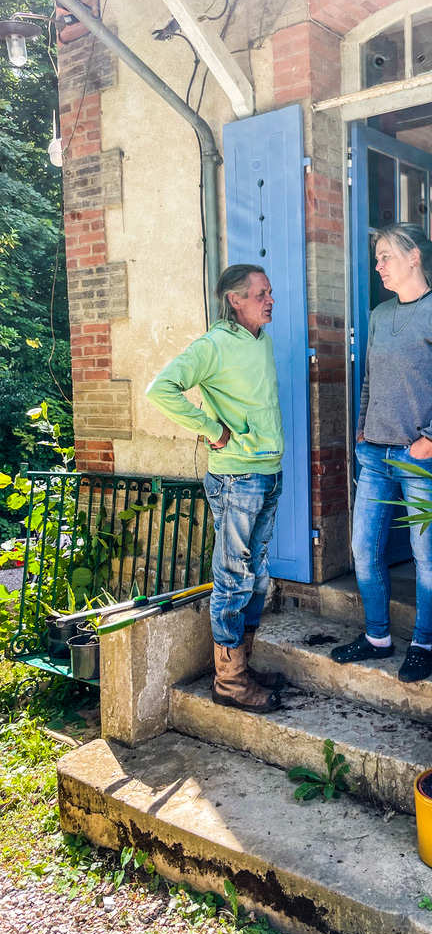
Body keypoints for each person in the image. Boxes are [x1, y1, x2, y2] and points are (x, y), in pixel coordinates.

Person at [331, 223, 432, 683]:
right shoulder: (379, 315)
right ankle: (377, 637)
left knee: (425, 553)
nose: (379, 266)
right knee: (363, 547)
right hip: (375, 454)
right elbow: (370, 379)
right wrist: (362, 430)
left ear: (414, 257)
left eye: (386, 256)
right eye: (377, 258)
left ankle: (421, 644)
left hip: (425, 458)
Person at [146, 264, 284, 714]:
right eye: (260, 294)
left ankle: (241, 666)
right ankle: (229, 682)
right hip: (236, 479)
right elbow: (160, 389)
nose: (270, 300)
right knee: (233, 578)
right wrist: (212, 429)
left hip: (268, 474)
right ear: (235, 300)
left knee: (257, 576)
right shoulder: (214, 345)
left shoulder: (261, 342)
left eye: (269, 292)